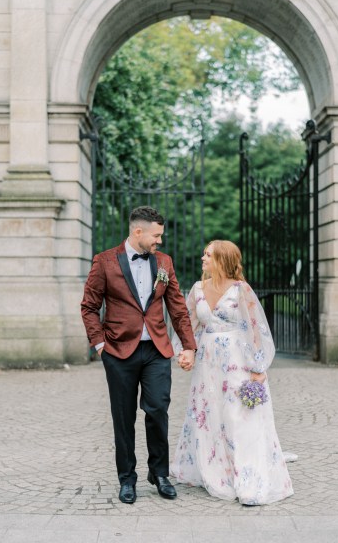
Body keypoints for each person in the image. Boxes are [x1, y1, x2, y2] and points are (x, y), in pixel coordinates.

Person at [81, 206, 196, 505]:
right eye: (156, 235)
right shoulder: (105, 261)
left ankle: (159, 473)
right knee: (123, 417)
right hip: (118, 351)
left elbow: (178, 307)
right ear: (138, 232)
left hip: (156, 350)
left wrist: (189, 346)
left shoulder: (164, 262)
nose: (160, 240)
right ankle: (127, 479)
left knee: (158, 410)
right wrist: (99, 344)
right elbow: (89, 306)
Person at [172, 240, 294, 506]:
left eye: (208, 255)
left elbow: (256, 329)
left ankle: (247, 478)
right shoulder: (197, 289)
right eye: (203, 253)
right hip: (208, 364)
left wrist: (258, 368)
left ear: (222, 260)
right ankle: (213, 469)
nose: (202, 258)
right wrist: (186, 351)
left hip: (237, 362)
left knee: (239, 416)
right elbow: (188, 325)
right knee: (208, 415)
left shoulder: (241, 290)